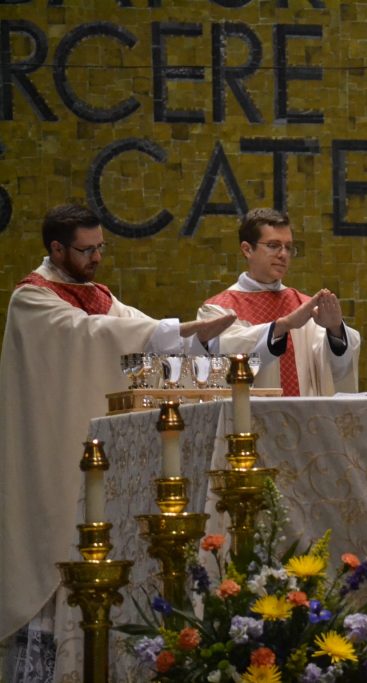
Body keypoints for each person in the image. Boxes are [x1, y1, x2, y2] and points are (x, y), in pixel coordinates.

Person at [0, 203, 235, 672]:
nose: (97, 259)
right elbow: (89, 336)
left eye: (101, 248)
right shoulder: (32, 299)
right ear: (56, 248)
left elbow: (140, 337)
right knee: (52, 549)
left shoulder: (102, 296)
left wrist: (198, 340)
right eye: (86, 251)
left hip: (100, 452)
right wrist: (179, 328)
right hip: (51, 451)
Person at [198, 208, 360, 396]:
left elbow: (337, 369)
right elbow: (223, 361)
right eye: (274, 245)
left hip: (302, 420)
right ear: (247, 249)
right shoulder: (217, 309)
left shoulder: (306, 307)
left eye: (288, 247)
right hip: (248, 421)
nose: (283, 254)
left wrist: (335, 330)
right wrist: (283, 326)